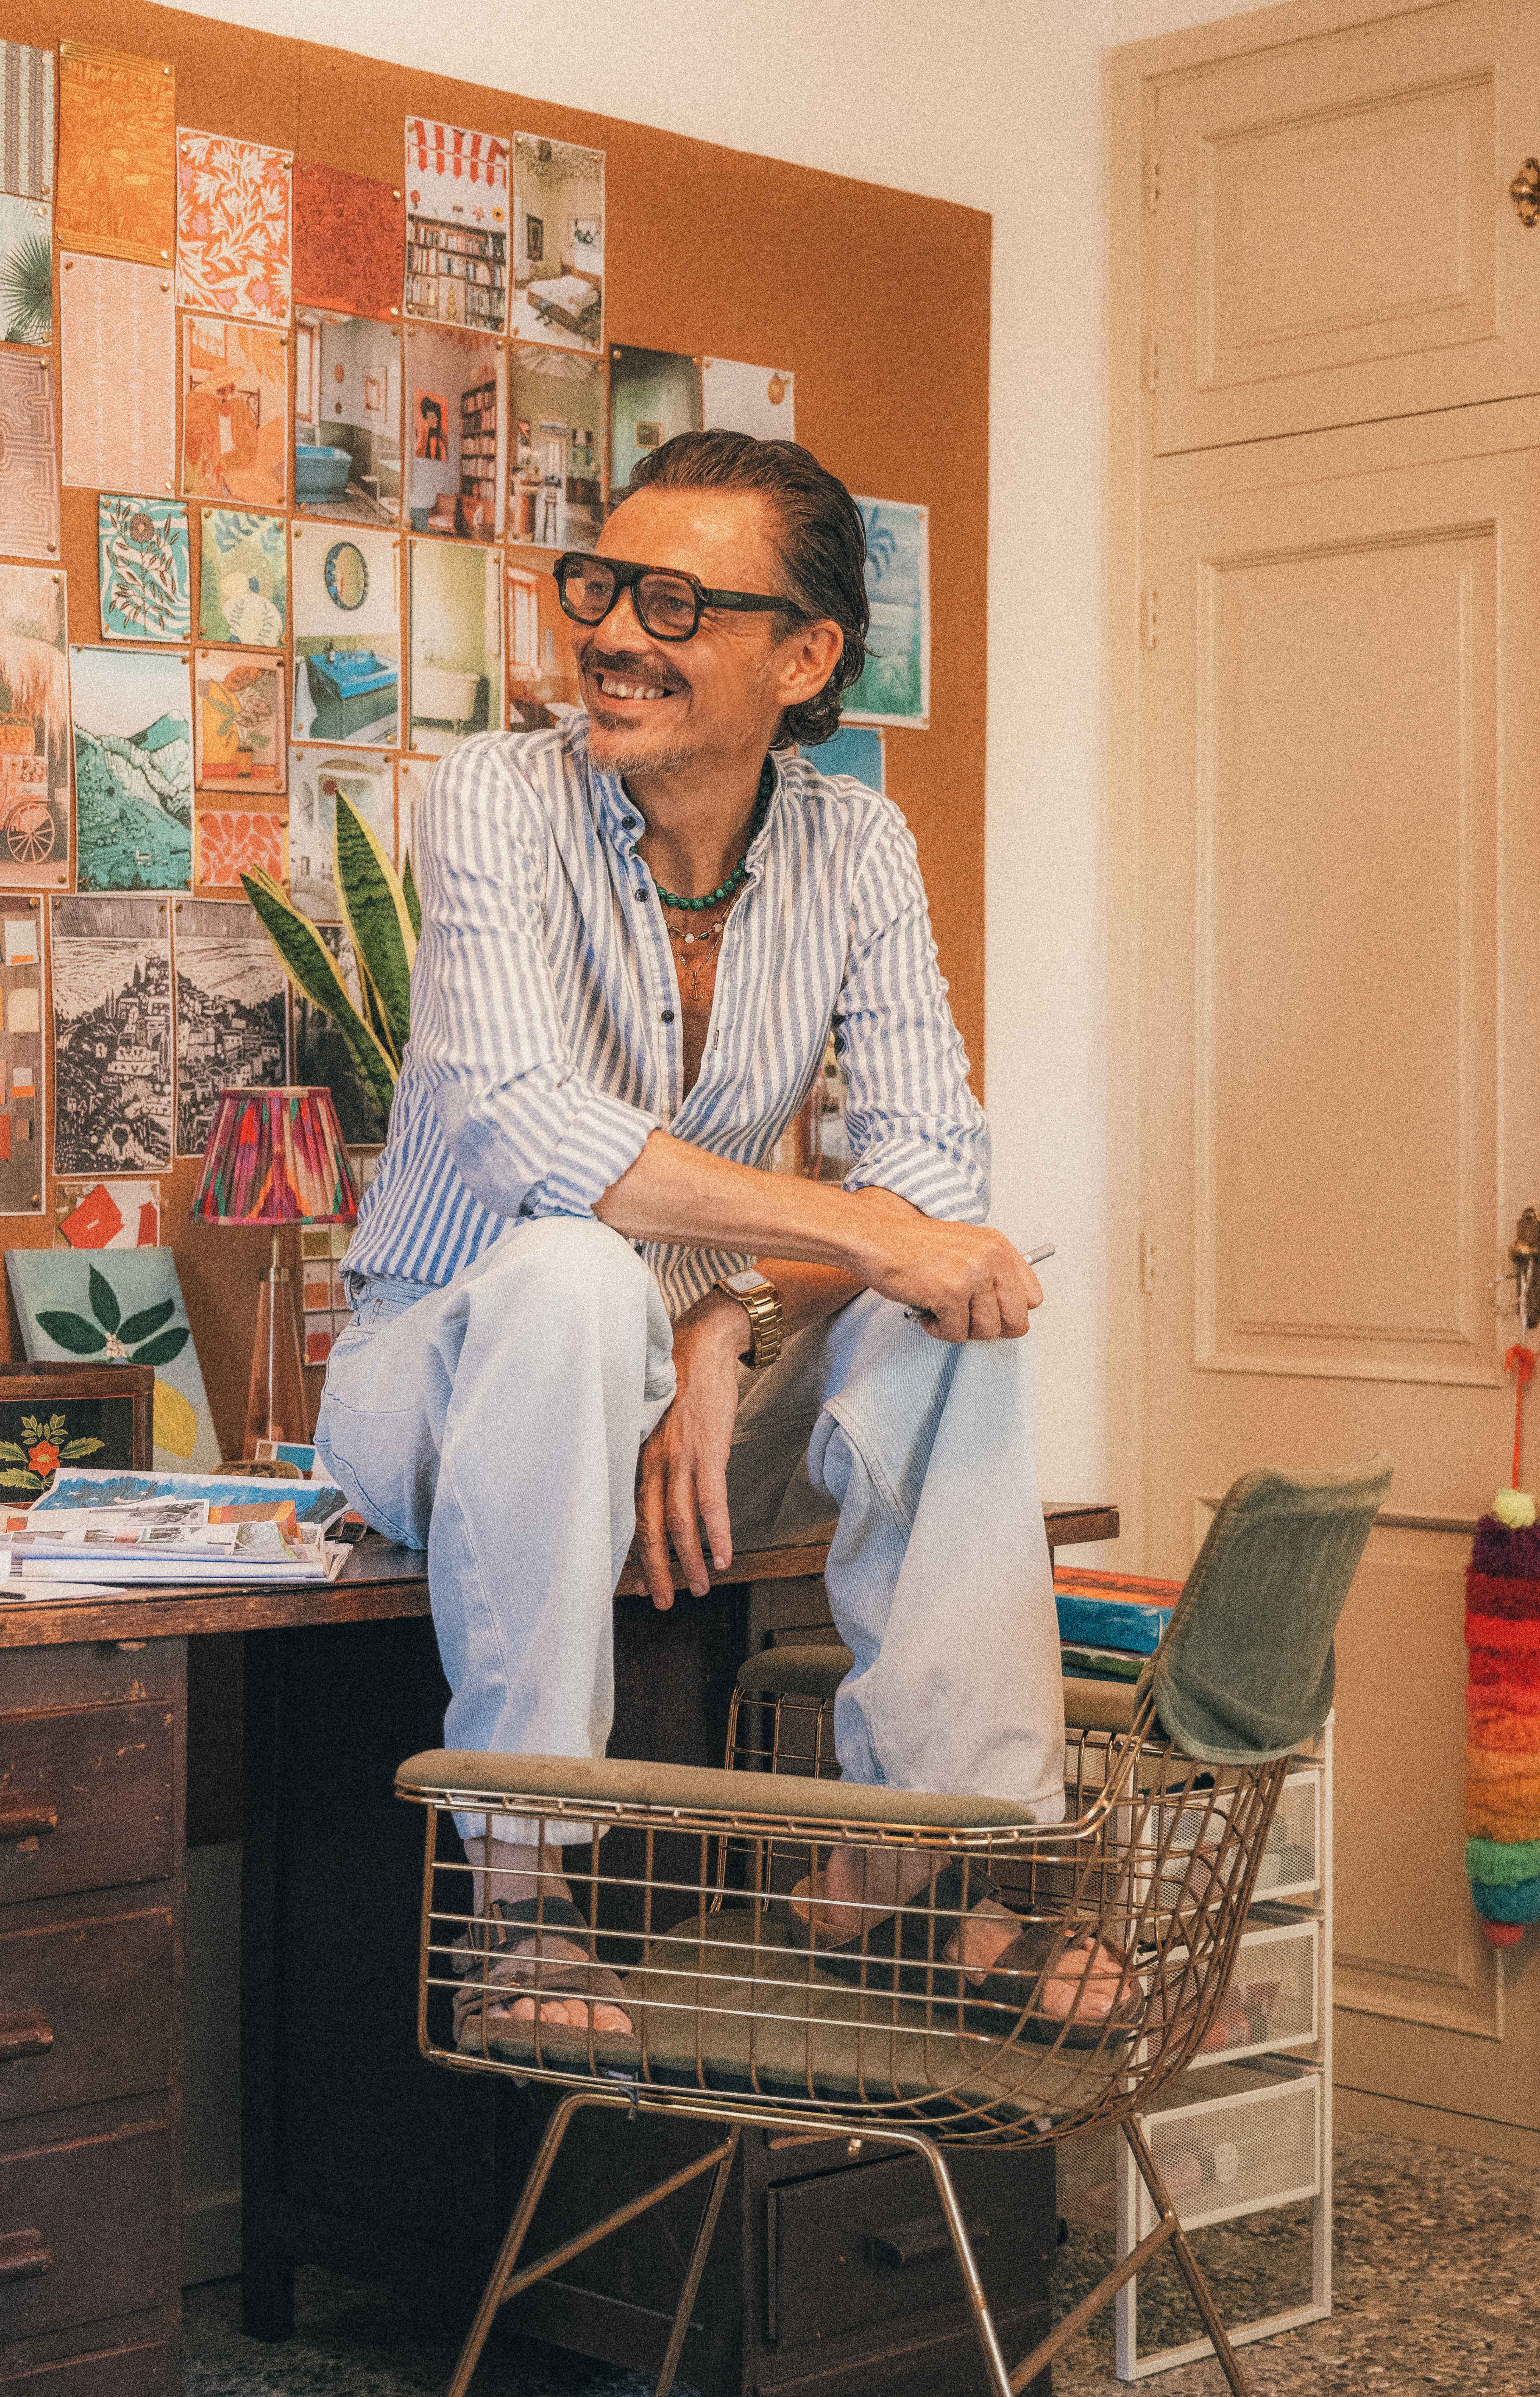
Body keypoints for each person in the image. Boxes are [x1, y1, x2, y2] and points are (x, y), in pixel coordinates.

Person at [318, 430, 1126, 2054]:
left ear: (804, 657)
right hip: (444, 1372)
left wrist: (726, 1311)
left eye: (675, 603)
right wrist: (745, 1278)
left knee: (963, 1304)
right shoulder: (493, 799)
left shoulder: (857, 846)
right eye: (601, 588)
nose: (616, 634)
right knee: (571, 1277)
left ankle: (933, 1861)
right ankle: (520, 1894)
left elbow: (930, 1171)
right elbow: (530, 1137)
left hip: (687, 1392)